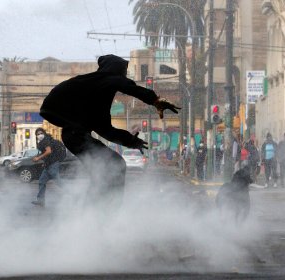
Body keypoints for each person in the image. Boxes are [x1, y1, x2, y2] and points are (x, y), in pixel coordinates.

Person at [39, 54, 180, 209]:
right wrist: (155, 100)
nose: (125, 74)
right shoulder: (107, 78)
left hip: (74, 137)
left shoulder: (97, 97)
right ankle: (107, 211)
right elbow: (129, 86)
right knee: (115, 165)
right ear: (116, 68)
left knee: (100, 174)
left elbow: (107, 131)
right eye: (124, 70)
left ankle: (92, 213)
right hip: (75, 136)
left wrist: (132, 141)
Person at [31, 128, 66, 207]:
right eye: (37, 134)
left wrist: (38, 158)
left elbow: (48, 151)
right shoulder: (44, 141)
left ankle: (73, 194)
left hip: (53, 164)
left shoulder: (45, 140)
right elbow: (49, 154)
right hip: (49, 165)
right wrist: (44, 162)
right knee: (41, 181)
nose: (39, 135)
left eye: (41, 133)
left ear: (44, 133)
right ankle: (40, 201)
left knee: (58, 182)